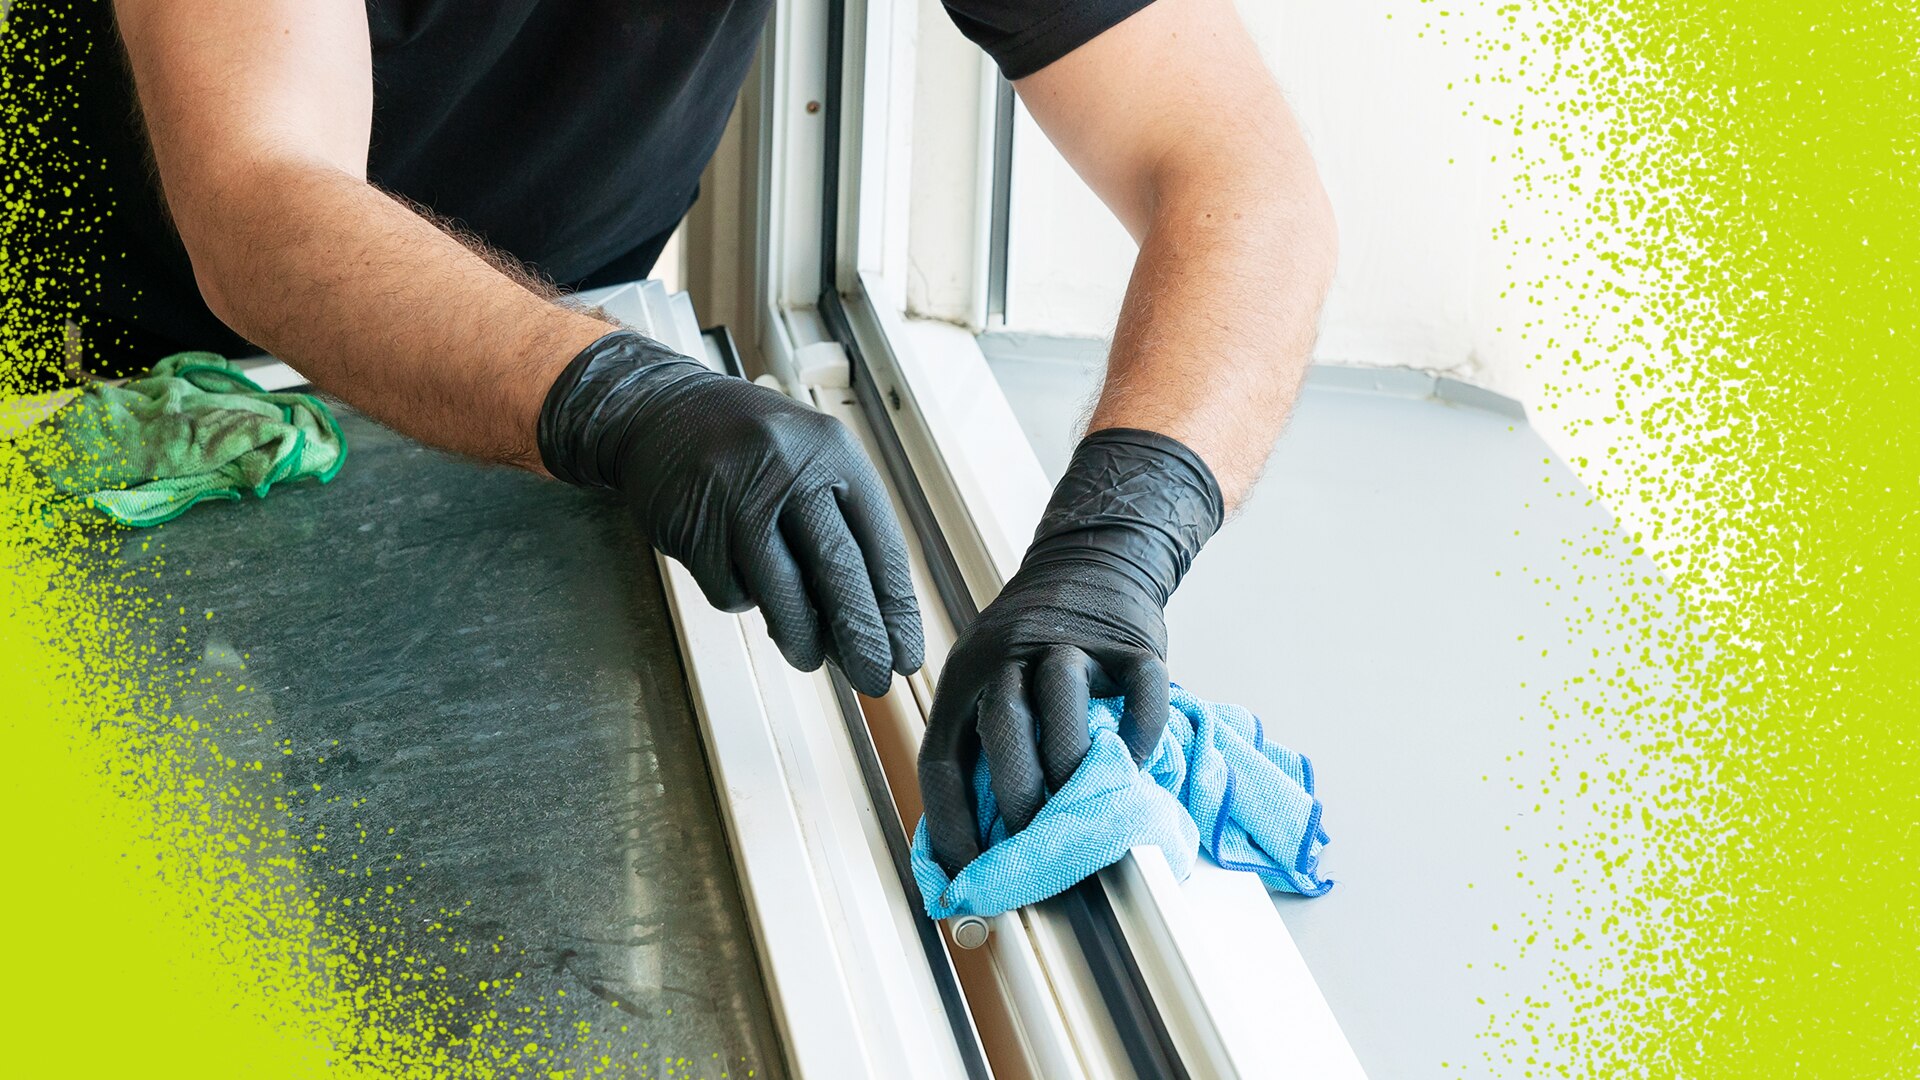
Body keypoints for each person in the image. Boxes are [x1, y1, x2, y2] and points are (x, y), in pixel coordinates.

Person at [92, 0, 1336, 877]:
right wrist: (616, 396)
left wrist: (1119, 538)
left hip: (545, 432)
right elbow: (259, 188)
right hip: (116, 412)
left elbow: (1233, 172)